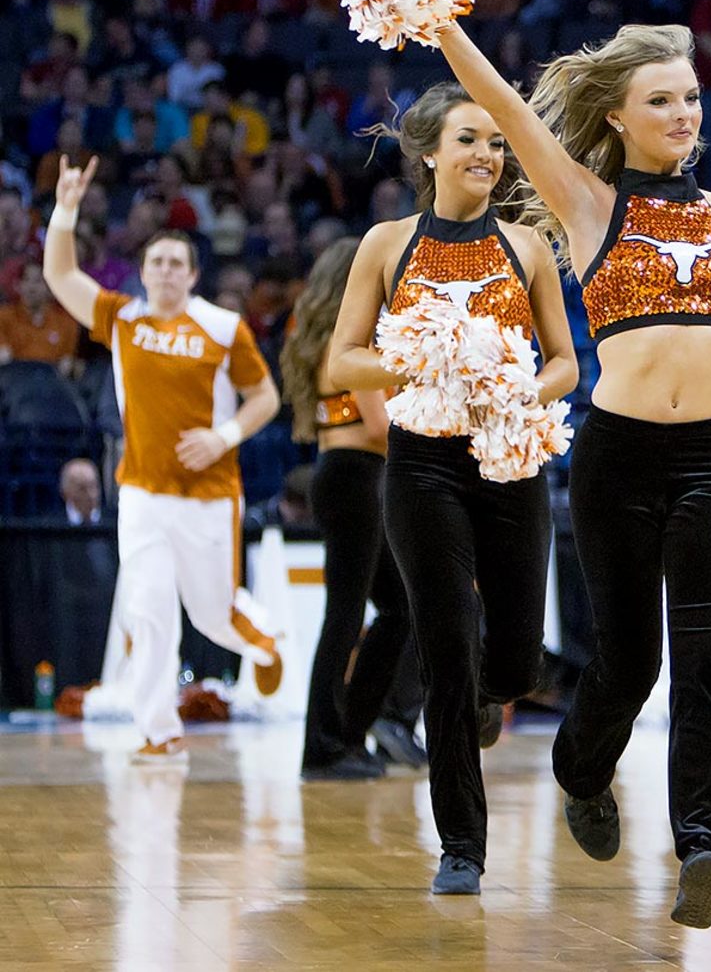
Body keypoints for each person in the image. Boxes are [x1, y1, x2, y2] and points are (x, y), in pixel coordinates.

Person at [433, 17, 711, 929]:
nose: (684, 112)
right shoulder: (588, 204)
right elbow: (499, 102)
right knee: (629, 658)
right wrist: (444, 20)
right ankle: (581, 767)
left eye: (691, 97)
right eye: (661, 99)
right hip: (619, 458)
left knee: (709, 663)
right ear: (616, 116)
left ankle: (706, 847)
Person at [328, 82, 577, 895]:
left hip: (511, 456)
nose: (486, 155)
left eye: (496, 143)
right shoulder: (387, 243)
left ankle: (490, 694)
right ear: (430, 151)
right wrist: (429, 362)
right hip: (424, 461)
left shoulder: (529, 245)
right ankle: (461, 846)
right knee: (444, 643)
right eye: (469, 139)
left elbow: (565, 363)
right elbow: (344, 360)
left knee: (509, 654)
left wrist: (515, 390)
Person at [41, 156, 283, 764]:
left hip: (209, 494)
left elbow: (267, 397)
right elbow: (61, 275)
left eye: (177, 262)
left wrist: (223, 435)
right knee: (147, 609)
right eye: (157, 262)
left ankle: (267, 644)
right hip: (142, 492)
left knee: (212, 615)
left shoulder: (225, 328)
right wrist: (66, 209)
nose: (167, 270)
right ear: (143, 271)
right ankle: (159, 731)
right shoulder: (122, 317)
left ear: (193, 275)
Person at [280, 238, 424, 780]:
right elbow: (381, 427)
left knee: (394, 609)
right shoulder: (354, 339)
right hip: (356, 478)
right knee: (346, 614)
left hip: (346, 477)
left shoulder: (318, 338)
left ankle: (347, 733)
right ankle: (322, 746)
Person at [59, 457, 104, 525]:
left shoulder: (116, 522)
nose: (90, 494)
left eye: (93, 487)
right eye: (82, 488)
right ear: (65, 493)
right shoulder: (50, 524)